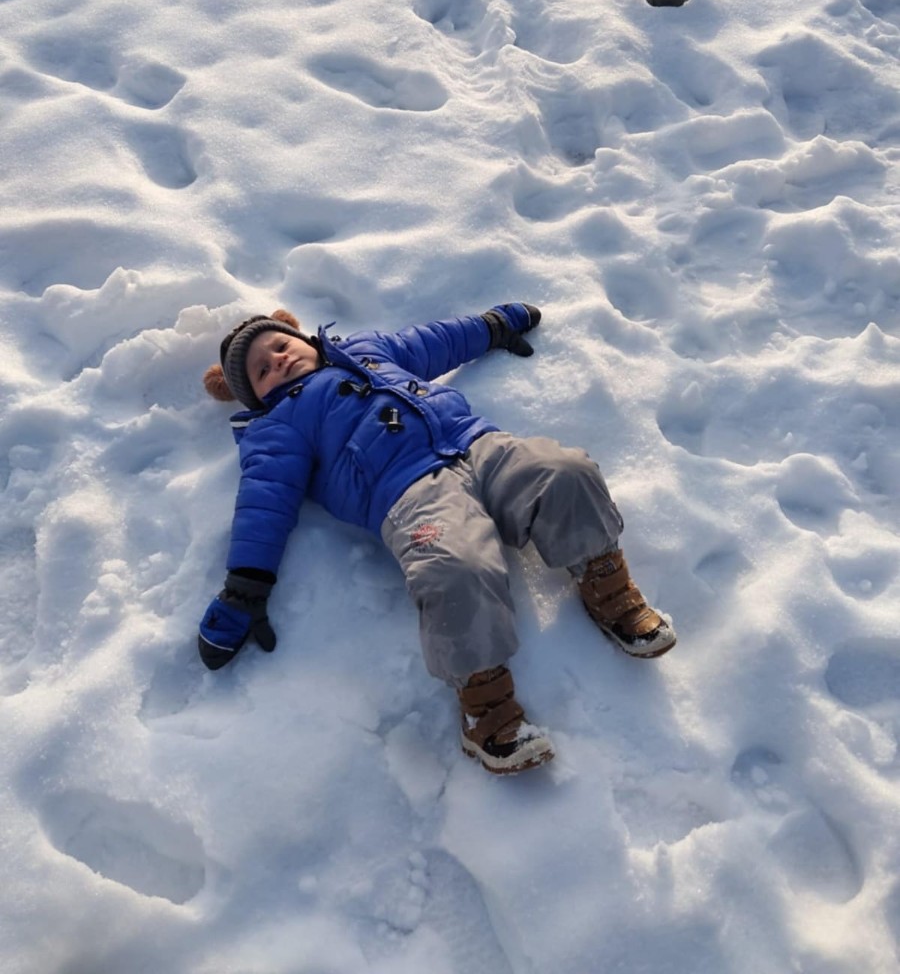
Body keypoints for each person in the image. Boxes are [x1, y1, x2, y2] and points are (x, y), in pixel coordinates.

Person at [198, 304, 676, 775]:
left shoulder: (366, 351)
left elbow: (436, 342)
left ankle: (607, 585)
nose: (278, 361)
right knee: (453, 566)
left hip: (478, 444)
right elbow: (265, 501)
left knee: (564, 472)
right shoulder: (277, 426)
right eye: (262, 371)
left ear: (303, 338)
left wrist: (493, 325)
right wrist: (245, 587)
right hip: (410, 492)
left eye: (280, 346)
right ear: (255, 398)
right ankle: (485, 705)